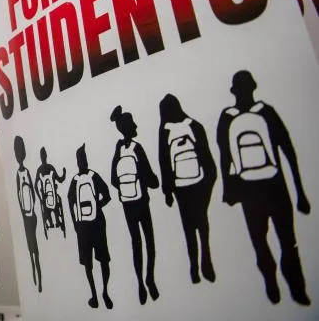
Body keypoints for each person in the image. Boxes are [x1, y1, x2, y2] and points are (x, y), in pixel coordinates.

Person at [217, 70, 310, 306]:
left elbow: (288, 151)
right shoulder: (257, 113)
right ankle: (272, 282)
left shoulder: (240, 116)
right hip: (264, 189)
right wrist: (227, 189)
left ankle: (294, 288)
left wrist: (300, 191)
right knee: (265, 242)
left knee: (284, 242)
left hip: (268, 188)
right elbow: (225, 157)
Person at [157, 93, 216, 285]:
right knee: (192, 228)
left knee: (200, 226)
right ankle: (195, 266)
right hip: (181, 187)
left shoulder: (192, 126)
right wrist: (168, 191)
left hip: (197, 184)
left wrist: (208, 185)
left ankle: (205, 260)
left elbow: (207, 159)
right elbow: (164, 162)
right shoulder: (168, 130)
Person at [109, 105, 160, 305]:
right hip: (141, 202)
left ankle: (140, 283)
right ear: (128, 127)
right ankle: (150, 278)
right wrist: (150, 182)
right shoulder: (136, 148)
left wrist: (125, 187)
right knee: (149, 242)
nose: (136, 126)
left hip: (127, 204)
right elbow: (151, 177)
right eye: (133, 124)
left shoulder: (118, 149)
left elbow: (113, 178)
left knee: (135, 244)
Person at [68, 144, 113, 310]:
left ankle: (103, 293)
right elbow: (70, 202)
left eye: (83, 159)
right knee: (92, 263)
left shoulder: (84, 178)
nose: (82, 162)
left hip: (91, 225)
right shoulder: (79, 179)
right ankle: (95, 294)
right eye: (80, 159)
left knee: (100, 261)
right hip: (88, 226)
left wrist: (96, 206)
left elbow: (107, 195)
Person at [14, 138, 40, 291]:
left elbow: (24, 194)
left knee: (34, 248)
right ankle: (34, 276)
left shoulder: (23, 173)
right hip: (28, 215)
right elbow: (24, 194)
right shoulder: (21, 173)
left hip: (29, 216)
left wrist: (28, 210)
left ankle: (37, 277)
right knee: (32, 248)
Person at [34, 147, 66, 238]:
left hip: (50, 196)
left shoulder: (45, 168)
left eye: (43, 155)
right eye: (42, 155)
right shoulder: (43, 169)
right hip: (47, 197)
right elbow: (35, 186)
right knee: (50, 206)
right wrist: (40, 197)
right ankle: (53, 221)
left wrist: (64, 174)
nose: (43, 157)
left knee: (52, 204)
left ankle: (54, 221)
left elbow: (60, 179)